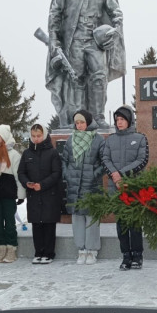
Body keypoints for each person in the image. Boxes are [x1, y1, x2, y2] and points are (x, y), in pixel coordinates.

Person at [46, 0, 125, 128]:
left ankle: (98, 117)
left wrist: (113, 33)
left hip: (96, 41)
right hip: (73, 40)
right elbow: (54, 15)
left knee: (99, 78)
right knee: (75, 78)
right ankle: (78, 119)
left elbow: (117, 14)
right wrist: (54, 42)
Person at [102, 105, 149, 270]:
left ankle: (137, 255)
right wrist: (114, 175)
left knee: (135, 223)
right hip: (116, 188)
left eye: (122, 119)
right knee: (121, 224)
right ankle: (126, 256)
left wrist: (121, 173)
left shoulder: (140, 138)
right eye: (117, 120)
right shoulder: (110, 140)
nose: (119, 122)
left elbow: (142, 160)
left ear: (129, 120)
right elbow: (105, 159)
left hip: (133, 187)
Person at [61, 109, 105, 265]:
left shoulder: (98, 140)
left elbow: (104, 162)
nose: (79, 125)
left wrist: (93, 174)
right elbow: (64, 162)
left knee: (91, 218)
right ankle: (81, 249)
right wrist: (68, 175)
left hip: (91, 185)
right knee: (77, 218)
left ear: (88, 122)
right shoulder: (70, 140)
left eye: (82, 122)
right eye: (77, 123)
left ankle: (92, 250)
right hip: (74, 185)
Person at [18, 124, 62, 264]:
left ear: (44, 135)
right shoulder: (27, 153)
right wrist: (27, 183)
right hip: (33, 195)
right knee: (36, 224)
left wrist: (42, 185)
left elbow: (56, 173)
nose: (36, 139)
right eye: (33, 136)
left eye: (39, 136)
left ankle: (49, 253)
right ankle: (38, 252)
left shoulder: (52, 152)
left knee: (48, 224)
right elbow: (21, 172)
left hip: (49, 193)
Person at [0, 124, 26, 264]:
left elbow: (18, 176)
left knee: (9, 223)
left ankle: (11, 249)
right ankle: (1, 248)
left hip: (8, 194)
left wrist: (21, 195)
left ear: (4, 137)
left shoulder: (13, 154)